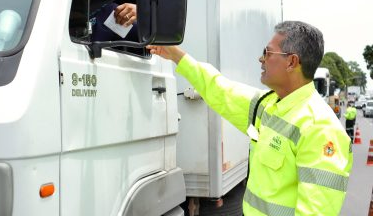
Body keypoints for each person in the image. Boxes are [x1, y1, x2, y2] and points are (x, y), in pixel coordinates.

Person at [147, 21, 353, 216]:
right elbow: (220, 89)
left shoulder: (321, 128)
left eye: (267, 52)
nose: (261, 59)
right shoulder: (268, 106)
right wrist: (175, 54)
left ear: (292, 61)